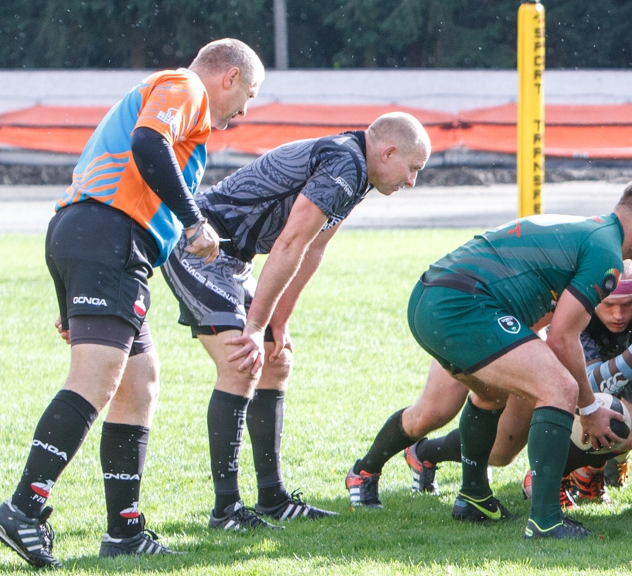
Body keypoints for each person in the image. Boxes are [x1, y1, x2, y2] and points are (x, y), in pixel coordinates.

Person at [0, 39, 263, 567]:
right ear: (228, 77)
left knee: (141, 380)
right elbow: (149, 146)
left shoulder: (177, 98)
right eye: (247, 96)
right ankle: (23, 507)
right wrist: (193, 220)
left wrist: (67, 302)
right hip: (109, 235)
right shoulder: (186, 88)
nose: (242, 114)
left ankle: (124, 530)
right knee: (96, 379)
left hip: (87, 234)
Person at [162, 113, 431, 529]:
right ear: (388, 152)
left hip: (234, 257)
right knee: (241, 362)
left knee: (276, 359)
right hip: (200, 248)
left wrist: (277, 323)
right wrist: (253, 329)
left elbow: (314, 249)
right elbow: (290, 242)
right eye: (413, 169)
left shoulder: (359, 173)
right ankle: (226, 510)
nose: (412, 182)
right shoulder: (347, 163)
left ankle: (272, 498)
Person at [402, 174, 632, 539]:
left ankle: (473, 497)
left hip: (429, 296)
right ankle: (546, 520)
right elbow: (563, 339)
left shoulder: (593, 232)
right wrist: (589, 409)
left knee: (491, 394)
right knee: (560, 389)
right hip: (459, 305)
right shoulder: (606, 255)